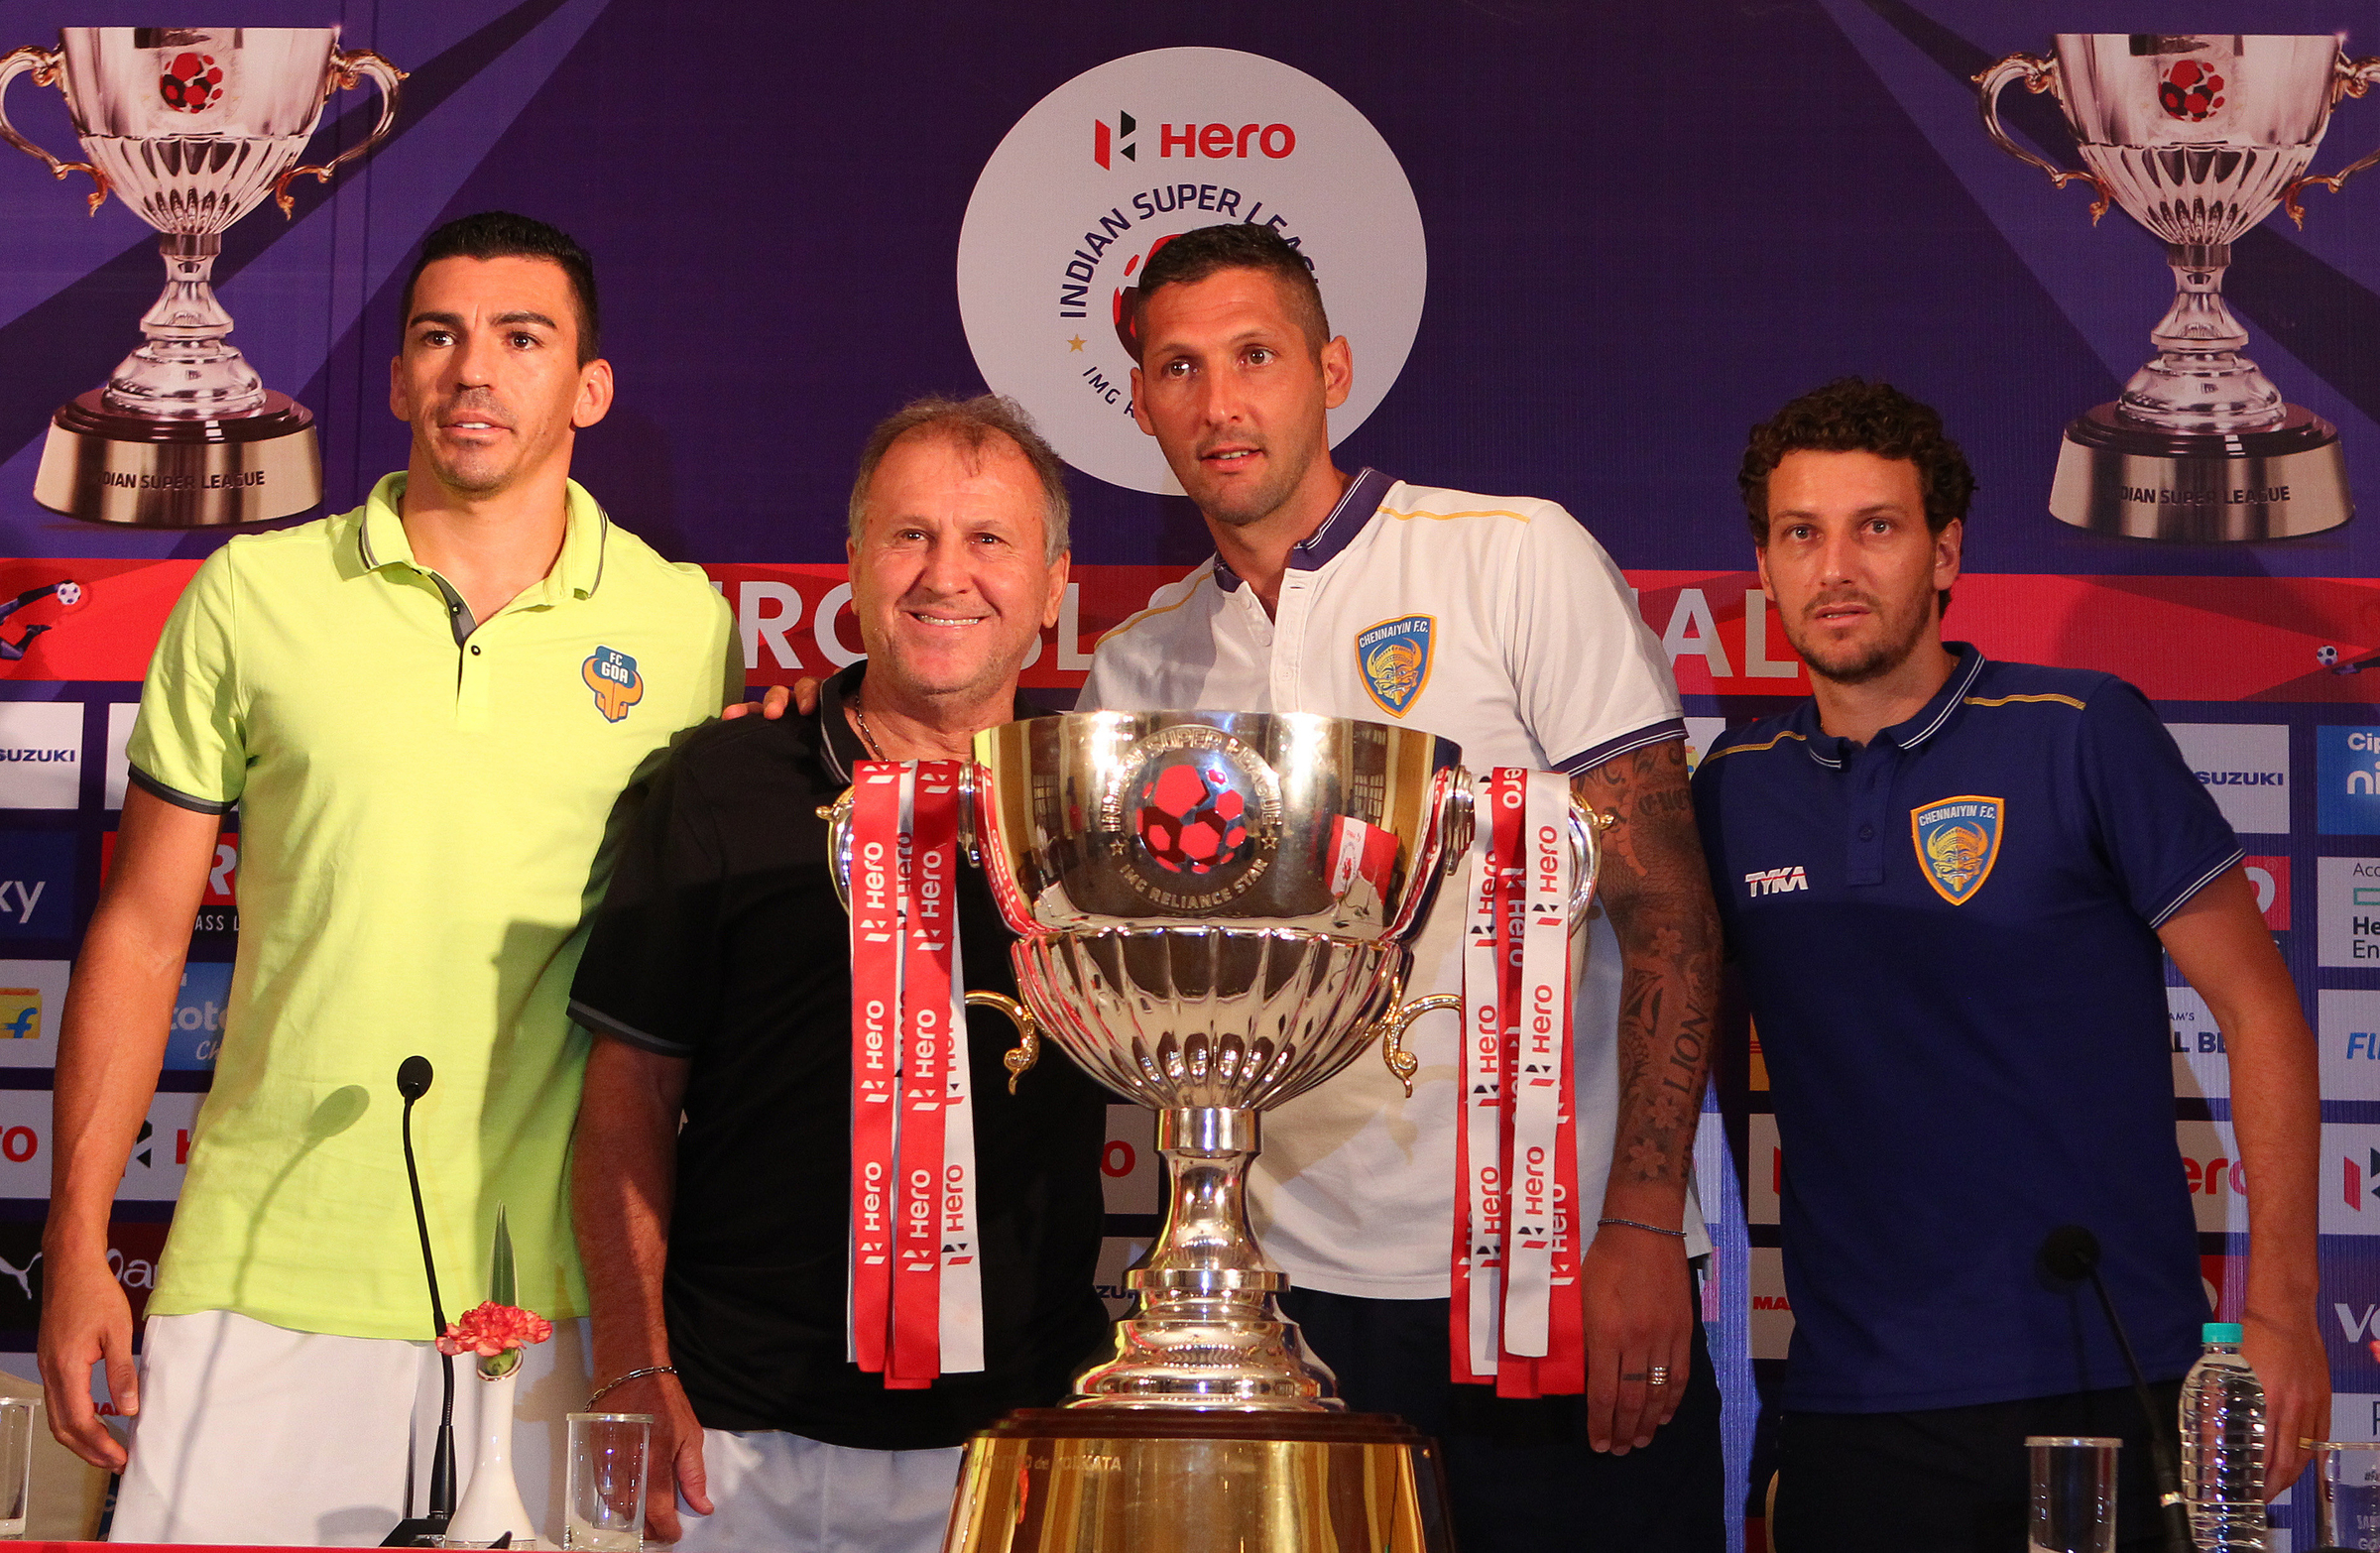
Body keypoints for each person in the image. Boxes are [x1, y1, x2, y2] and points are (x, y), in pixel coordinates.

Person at [36, 211, 738, 1544]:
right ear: (403, 374)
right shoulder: (253, 593)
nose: (475, 371)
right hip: (262, 1268)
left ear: (589, 386)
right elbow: (139, 935)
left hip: (550, 1301)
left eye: (521, 339)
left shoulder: (682, 627)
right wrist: (77, 1244)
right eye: (440, 336)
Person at [1080, 222, 1727, 1551]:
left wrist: (1647, 1224)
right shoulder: (1136, 673)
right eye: (1179, 367)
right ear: (1140, 400)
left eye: (1255, 354)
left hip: (1553, 1278)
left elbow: (1665, 910)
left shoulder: (1511, 559)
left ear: (1332, 368)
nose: (1220, 402)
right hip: (1283, 1301)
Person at [1691, 378, 2322, 1551]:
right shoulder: (1732, 789)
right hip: (1852, 1404)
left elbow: (2262, 1010)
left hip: (2103, 1378)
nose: (1836, 567)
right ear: (1764, 570)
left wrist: (2279, 1316)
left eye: (1876, 527)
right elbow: (1684, 1055)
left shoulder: (2079, 732)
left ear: (1945, 554)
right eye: (1801, 534)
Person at [566, 395, 1110, 1553]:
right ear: (854, 562)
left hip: (1019, 1448)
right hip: (732, 1449)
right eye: (910, 536)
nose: (945, 576)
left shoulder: (1109, 813)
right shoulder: (718, 785)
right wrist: (630, 1363)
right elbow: (628, 1100)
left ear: (1055, 585)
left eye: (989, 541)